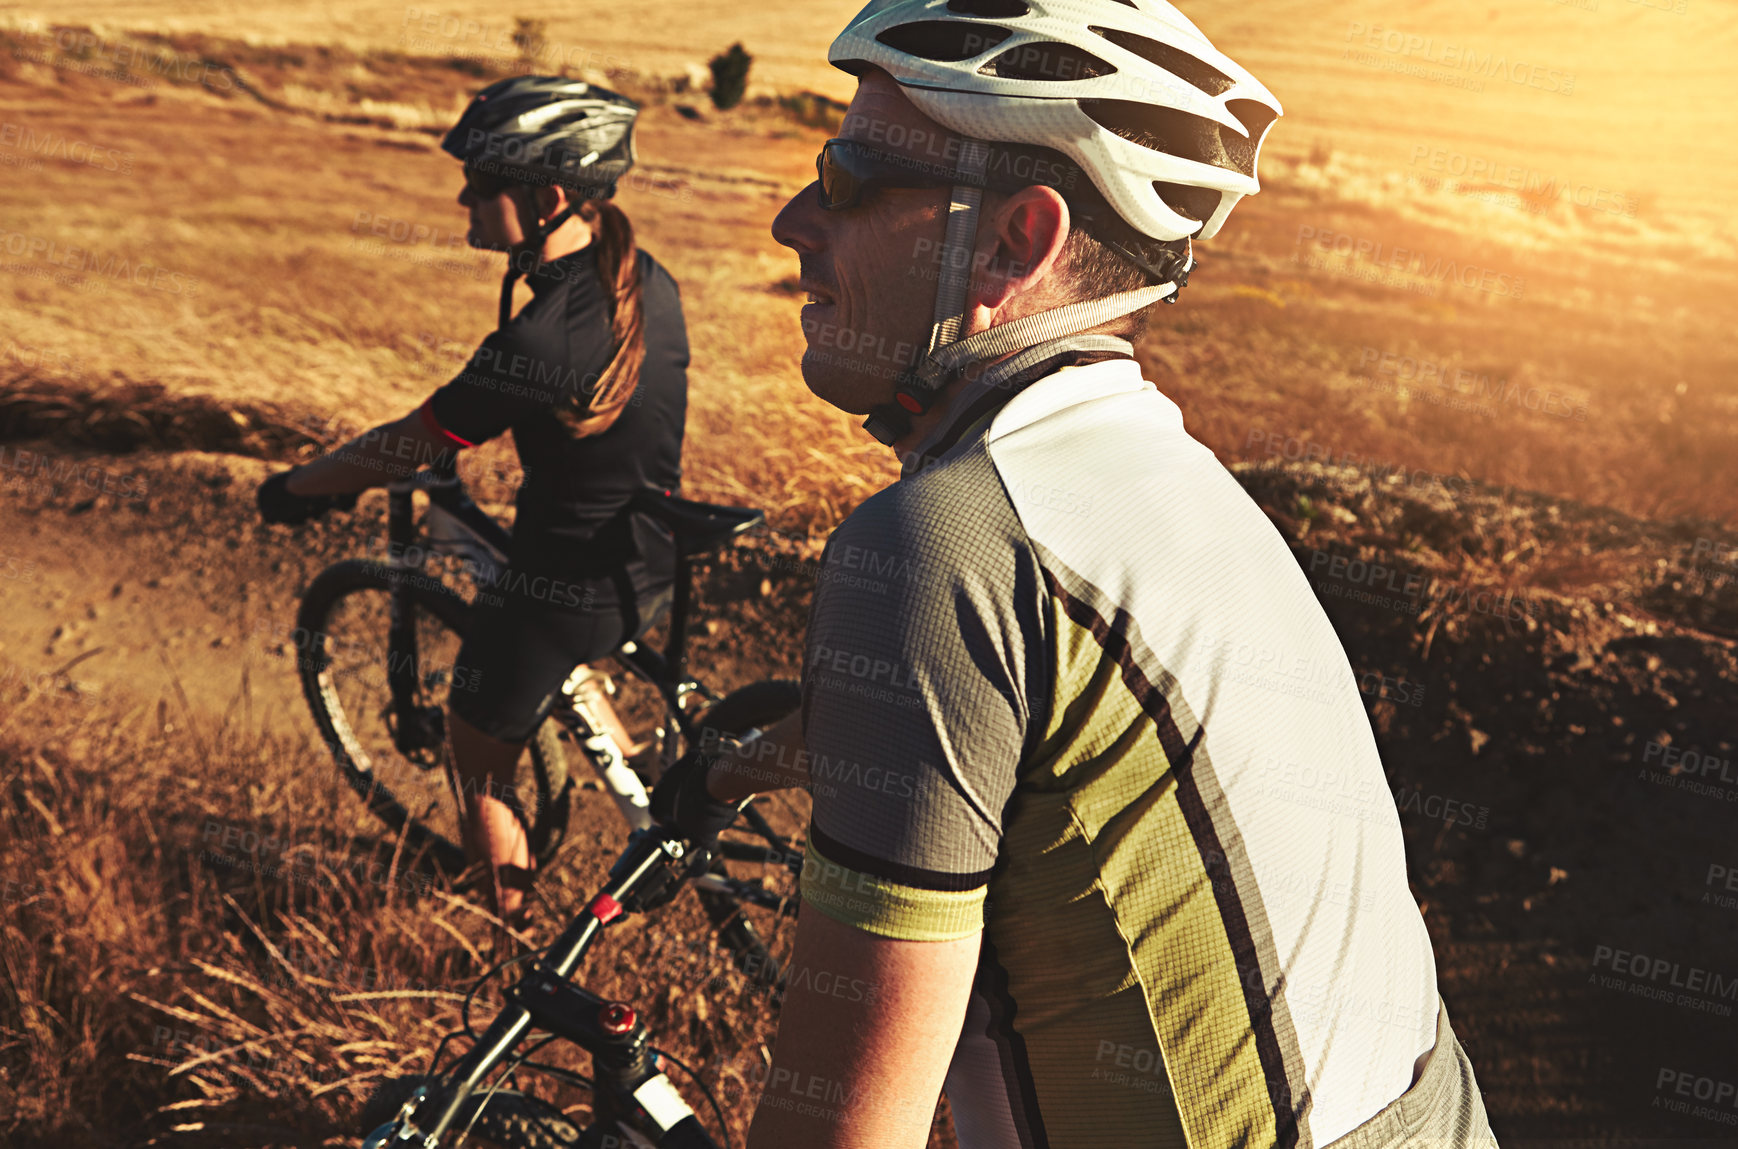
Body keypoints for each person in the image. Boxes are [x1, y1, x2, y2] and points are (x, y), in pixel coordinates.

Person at [650, 2, 1499, 1147]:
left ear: (1015, 241)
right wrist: (743, 767)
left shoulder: (938, 545)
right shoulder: (1166, 489)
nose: (791, 220)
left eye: (847, 178)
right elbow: (1016, 723)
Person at [258, 76, 690, 929]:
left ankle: (504, 939)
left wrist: (302, 486)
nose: (463, 195)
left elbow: (413, 443)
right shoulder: (644, 278)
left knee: (477, 759)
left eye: (483, 183)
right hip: (645, 555)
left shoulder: (544, 337)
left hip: (564, 586)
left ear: (548, 197)